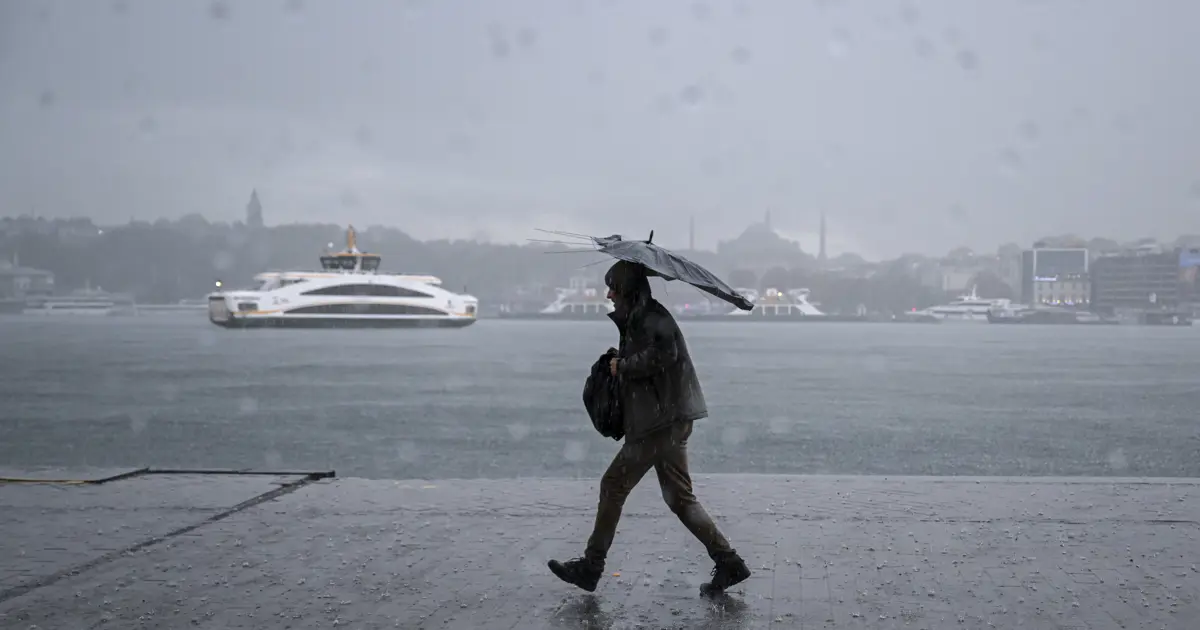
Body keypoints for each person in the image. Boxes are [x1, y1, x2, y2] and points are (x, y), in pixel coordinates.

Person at [548, 260, 751, 596]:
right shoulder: (642, 316)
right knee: (681, 499)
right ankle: (729, 562)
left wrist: (622, 365)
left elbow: (664, 355)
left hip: (659, 422)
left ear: (627, 289)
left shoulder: (649, 318)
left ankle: (591, 566)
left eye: (613, 286)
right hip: (669, 419)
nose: (609, 293)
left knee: (613, 485)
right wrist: (622, 357)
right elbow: (655, 355)